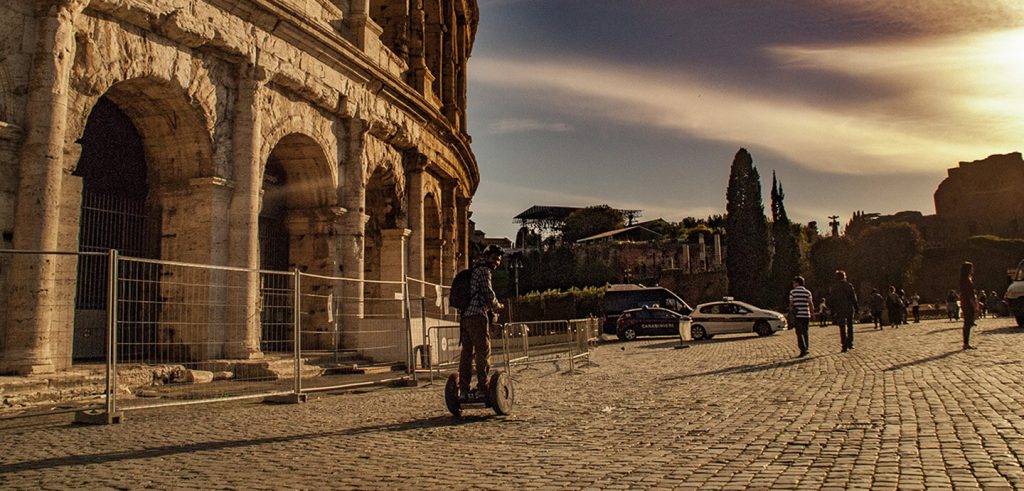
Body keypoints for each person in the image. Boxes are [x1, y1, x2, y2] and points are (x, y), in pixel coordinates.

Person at [458, 244, 504, 399]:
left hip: (465, 317)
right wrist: (497, 306)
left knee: (466, 353)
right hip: (477, 316)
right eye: (494, 258)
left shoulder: (473, 271)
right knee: (482, 352)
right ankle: (482, 388)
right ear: (486, 257)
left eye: (498, 260)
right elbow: (488, 293)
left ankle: (463, 391)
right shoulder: (484, 271)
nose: (496, 262)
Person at [829, 270, 858, 352]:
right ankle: (850, 342)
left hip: (839, 309)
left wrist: (832, 310)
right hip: (849, 308)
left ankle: (844, 344)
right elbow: (853, 298)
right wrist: (856, 307)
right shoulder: (849, 285)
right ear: (844, 277)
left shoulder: (834, 287)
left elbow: (832, 300)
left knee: (842, 327)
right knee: (850, 326)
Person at [789, 276, 814, 357]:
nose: (793, 284)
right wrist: (812, 313)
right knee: (805, 332)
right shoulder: (808, 292)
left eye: (794, 283)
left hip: (797, 315)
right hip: (806, 315)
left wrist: (791, 312)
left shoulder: (793, 292)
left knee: (799, 333)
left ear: (797, 283)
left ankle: (802, 349)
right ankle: (806, 348)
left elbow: (791, 304)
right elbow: (810, 303)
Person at [960, 261, 978, 350]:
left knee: (968, 323)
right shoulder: (967, 280)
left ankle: (966, 342)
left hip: (965, 302)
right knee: (968, 323)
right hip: (968, 303)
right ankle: (966, 343)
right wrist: (974, 305)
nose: (972, 269)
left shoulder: (965, 279)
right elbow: (969, 294)